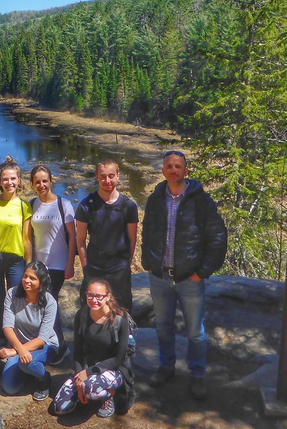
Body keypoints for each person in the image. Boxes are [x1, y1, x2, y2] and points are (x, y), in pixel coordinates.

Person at [142, 150, 227, 400]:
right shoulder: (156, 198)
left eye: (178, 166)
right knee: (163, 327)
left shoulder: (201, 201)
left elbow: (218, 237)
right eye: (169, 166)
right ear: (163, 171)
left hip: (190, 279)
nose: (173, 170)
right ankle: (166, 368)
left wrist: (202, 272)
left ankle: (197, 375)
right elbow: (148, 232)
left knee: (195, 332)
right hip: (160, 278)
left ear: (186, 171)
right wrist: (149, 263)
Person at [52, 278, 134, 418]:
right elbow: (78, 350)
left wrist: (89, 373)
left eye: (99, 296)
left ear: (107, 296)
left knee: (90, 389)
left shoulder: (120, 320)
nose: (94, 300)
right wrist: (79, 378)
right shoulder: (82, 315)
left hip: (113, 369)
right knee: (59, 408)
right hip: (88, 368)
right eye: (90, 295)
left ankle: (109, 395)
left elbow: (119, 359)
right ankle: (84, 391)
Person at [0, 156, 33, 349]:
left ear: (19, 180)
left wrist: (29, 266)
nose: (9, 183)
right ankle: (1, 339)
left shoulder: (23, 206)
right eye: (5, 179)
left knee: (15, 300)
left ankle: (15, 340)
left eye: (13, 179)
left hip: (16, 261)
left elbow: (27, 239)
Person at [75, 159, 138, 311]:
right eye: (103, 176)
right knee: (92, 310)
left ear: (118, 176)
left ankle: (125, 335)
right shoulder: (86, 205)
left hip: (119, 268)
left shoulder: (128, 206)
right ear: (96, 177)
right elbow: (81, 240)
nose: (107, 180)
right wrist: (86, 268)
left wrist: (126, 264)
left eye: (111, 176)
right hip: (94, 266)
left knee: (121, 310)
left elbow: (132, 238)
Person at [29, 164, 76, 362]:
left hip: (58, 264)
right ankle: (50, 343)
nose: (41, 185)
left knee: (49, 303)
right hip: (39, 264)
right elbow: (29, 237)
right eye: (37, 182)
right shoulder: (32, 204)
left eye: (44, 180)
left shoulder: (63, 204)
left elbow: (73, 237)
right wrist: (29, 263)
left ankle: (59, 347)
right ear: (32, 184)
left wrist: (71, 264)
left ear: (51, 181)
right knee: (43, 303)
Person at [0, 260, 58, 402]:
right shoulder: (12, 294)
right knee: (9, 387)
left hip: (45, 345)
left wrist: (14, 351)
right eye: (25, 276)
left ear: (41, 283)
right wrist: (20, 350)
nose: (27, 281)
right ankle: (28, 372)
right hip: (21, 345)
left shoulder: (50, 302)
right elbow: (7, 327)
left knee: (26, 363)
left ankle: (43, 378)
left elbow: (42, 338)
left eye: (33, 278)